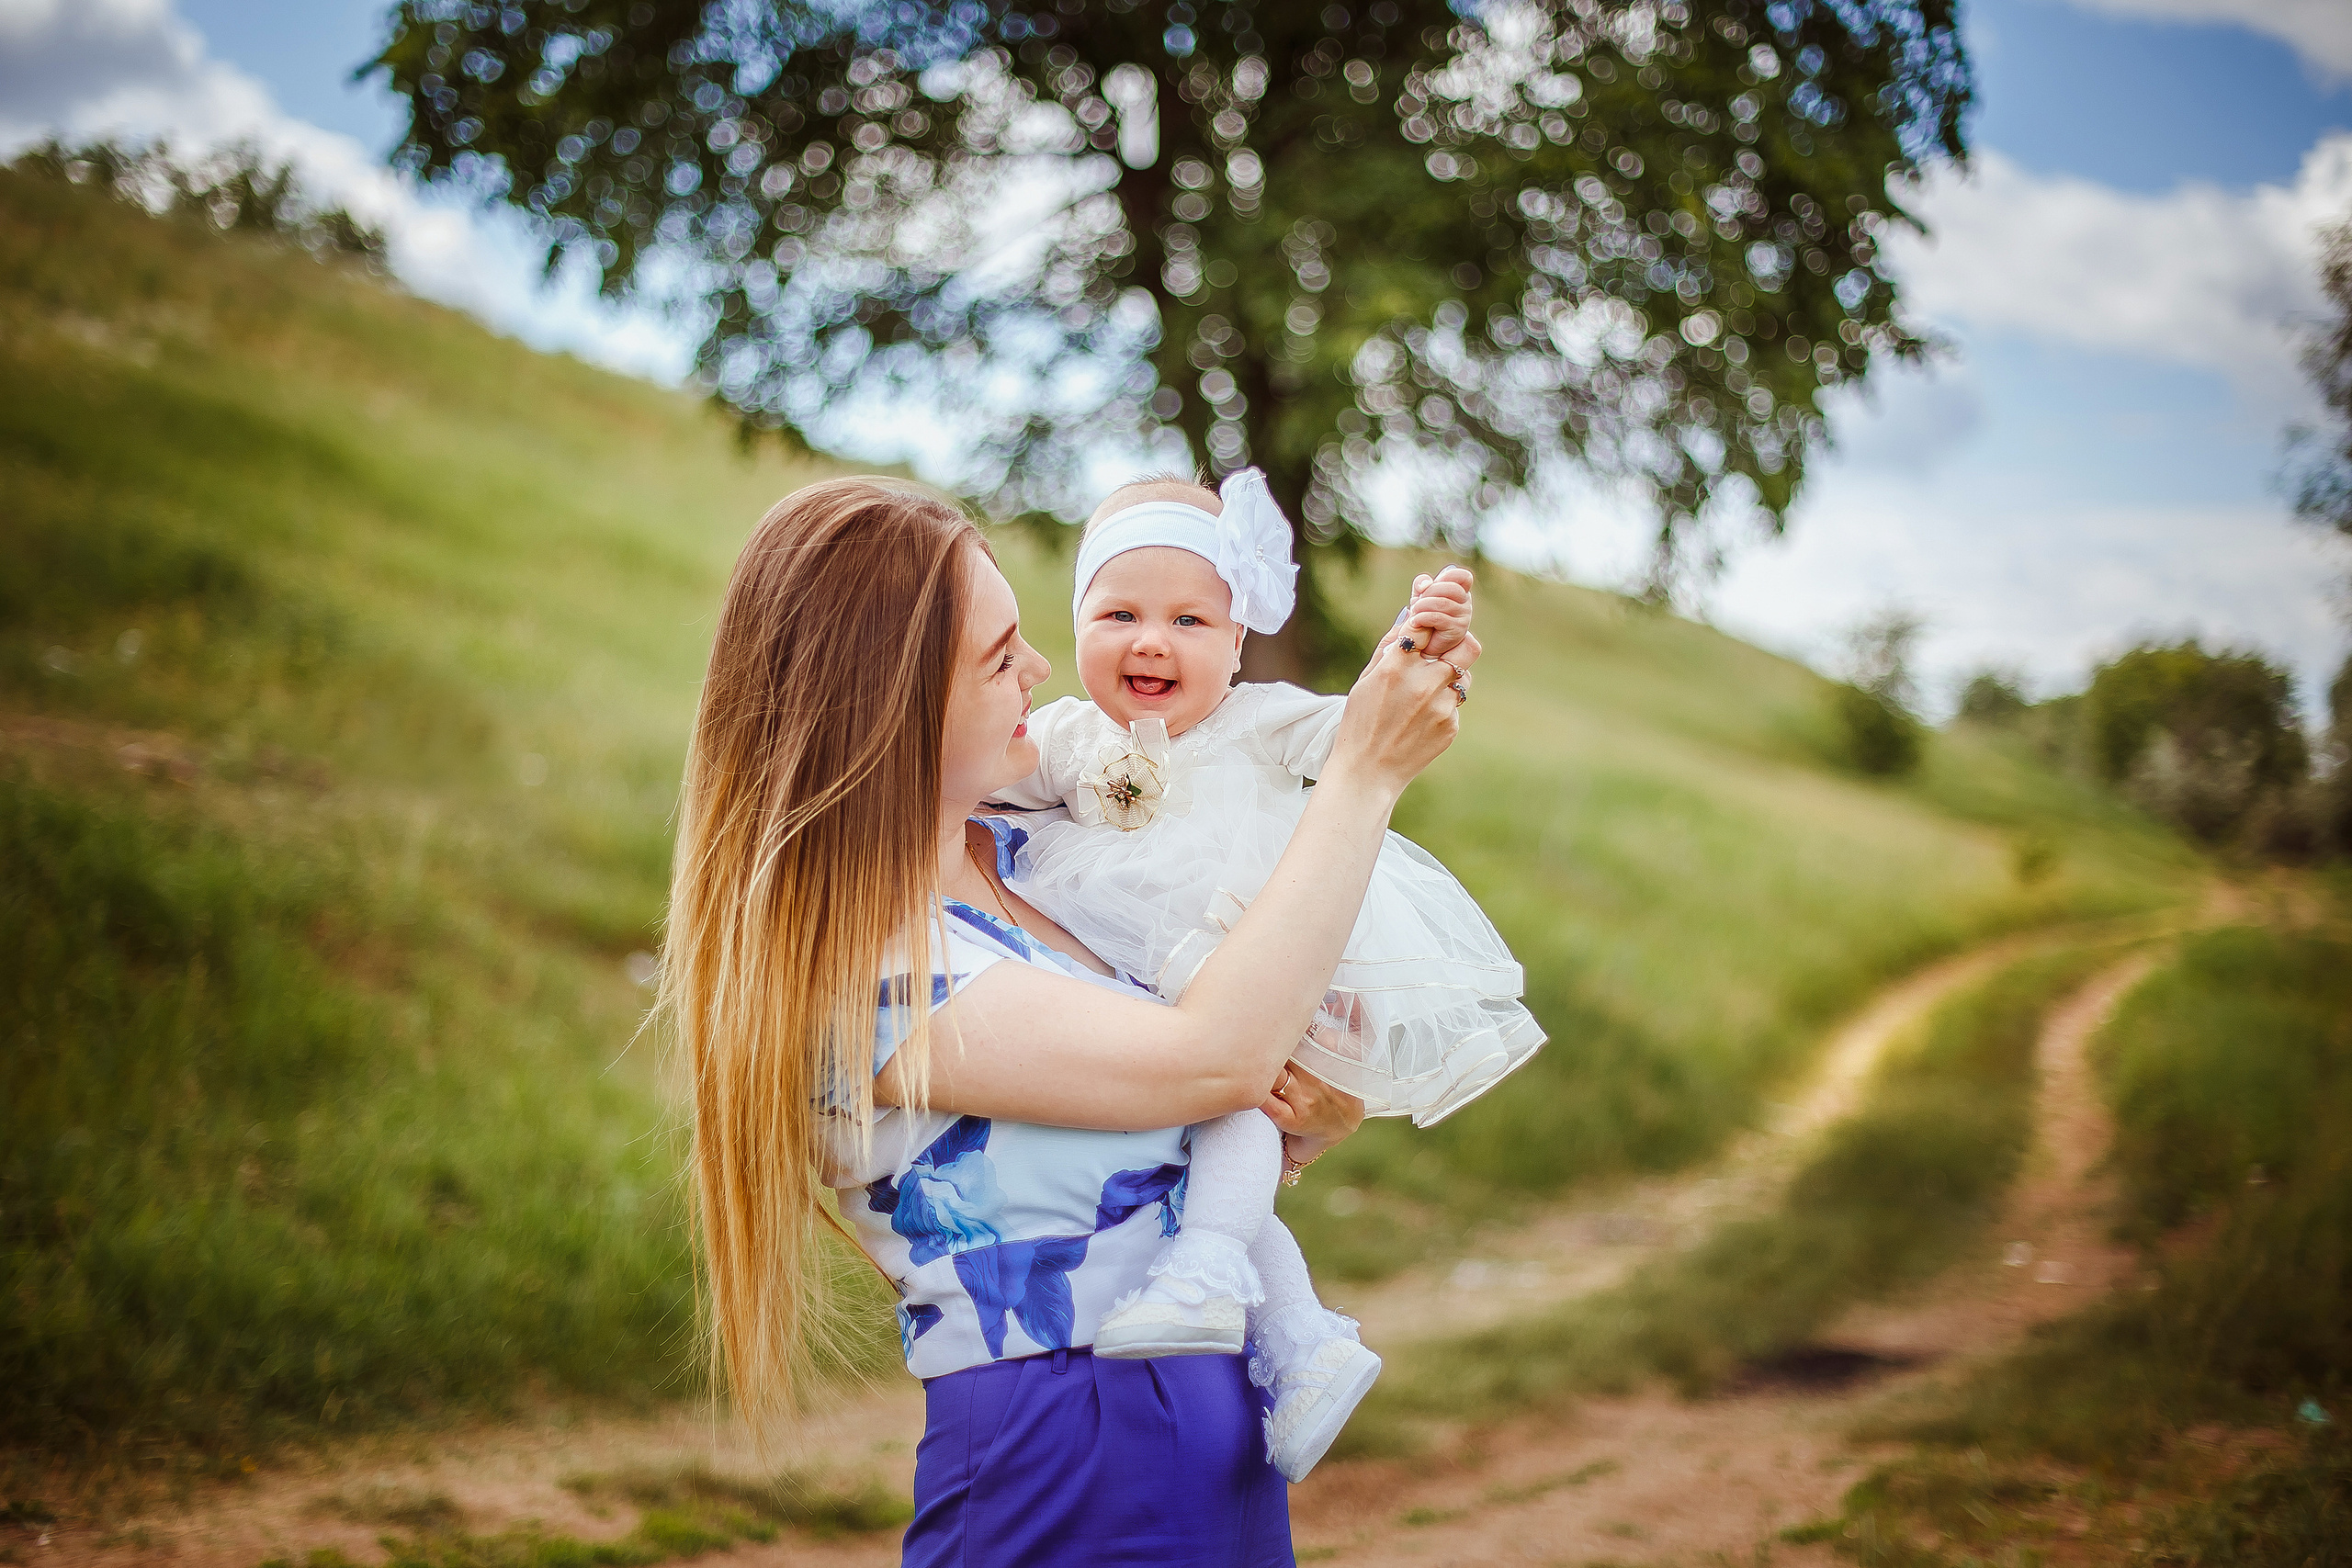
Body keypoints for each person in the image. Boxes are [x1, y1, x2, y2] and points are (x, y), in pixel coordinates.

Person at [660, 476, 1477, 1567]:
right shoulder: (865, 975)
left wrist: (1306, 1113)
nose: (1041, 671)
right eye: (1000, 658)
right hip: (1068, 1454)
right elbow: (1208, 1057)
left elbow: (1215, 1069)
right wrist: (1365, 774)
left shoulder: (1040, 859)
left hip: (1213, 1447)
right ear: (891, 703)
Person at [985, 468, 1543, 1482]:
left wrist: (1412, 645)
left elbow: (1363, 728)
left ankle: (1207, 1269)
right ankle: (1305, 1340)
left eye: (1190, 619)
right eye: (1119, 614)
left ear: (1237, 640)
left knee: (1234, 1098)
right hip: (1144, 979)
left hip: (1240, 955)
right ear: (1077, 624)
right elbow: (979, 783)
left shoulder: (1259, 718)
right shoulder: (1065, 736)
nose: (1152, 641)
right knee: (1207, 1142)